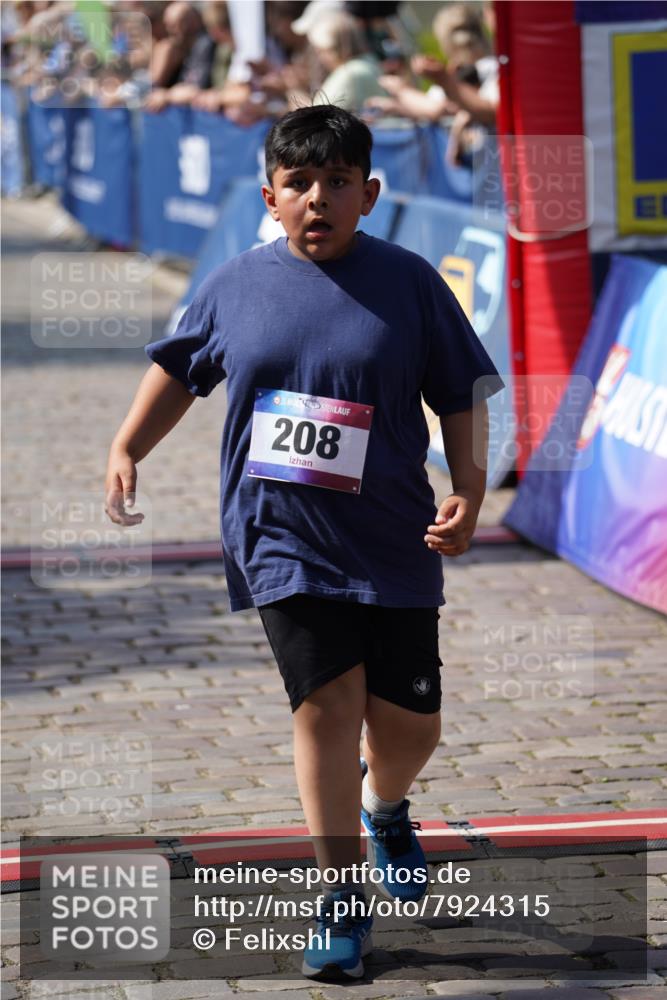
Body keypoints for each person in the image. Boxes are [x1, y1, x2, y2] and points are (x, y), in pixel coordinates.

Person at [105, 104, 503, 979]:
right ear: (270, 196)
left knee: (409, 727)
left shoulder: (410, 283)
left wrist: (468, 487)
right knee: (325, 707)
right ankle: (339, 899)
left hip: (392, 536)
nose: (315, 199)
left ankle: (386, 805)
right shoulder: (234, 284)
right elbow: (179, 368)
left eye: (333, 184)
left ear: (369, 192)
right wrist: (127, 445)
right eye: (297, 185)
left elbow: (461, 389)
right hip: (277, 535)